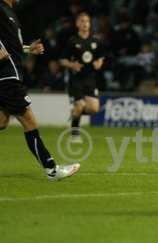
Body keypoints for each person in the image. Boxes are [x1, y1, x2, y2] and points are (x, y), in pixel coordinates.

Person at [0, 0, 79, 181]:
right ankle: (52, 169)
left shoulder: (9, 12)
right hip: (7, 76)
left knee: (2, 122)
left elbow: (11, 45)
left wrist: (29, 49)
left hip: (8, 75)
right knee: (30, 122)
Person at [60, 12, 104, 143]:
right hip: (76, 80)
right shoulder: (73, 41)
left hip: (90, 79)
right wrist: (72, 64)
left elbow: (101, 56)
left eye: (87, 21)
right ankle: (75, 135)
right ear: (77, 24)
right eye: (82, 21)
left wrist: (99, 62)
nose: (85, 24)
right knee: (80, 105)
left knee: (94, 109)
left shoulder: (95, 40)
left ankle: (76, 112)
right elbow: (62, 60)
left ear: (90, 24)